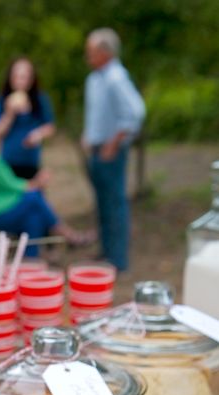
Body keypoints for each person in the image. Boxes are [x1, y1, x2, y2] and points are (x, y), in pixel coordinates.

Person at [0, 109, 94, 256]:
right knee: (33, 198)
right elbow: (10, 184)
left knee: (33, 217)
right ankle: (67, 235)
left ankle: (31, 261)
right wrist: (36, 183)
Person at [82, 28, 146, 272]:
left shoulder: (116, 77)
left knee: (115, 203)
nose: (88, 56)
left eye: (92, 51)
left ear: (105, 52)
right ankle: (106, 252)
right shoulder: (96, 78)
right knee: (102, 204)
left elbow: (135, 112)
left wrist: (114, 141)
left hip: (112, 151)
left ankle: (118, 259)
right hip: (97, 150)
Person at [0, 57, 55, 179]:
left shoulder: (40, 99)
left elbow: (50, 126)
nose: (21, 81)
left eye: (25, 76)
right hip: (8, 160)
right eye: (17, 76)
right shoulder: (1, 99)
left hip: (31, 161)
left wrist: (38, 134)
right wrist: (9, 113)